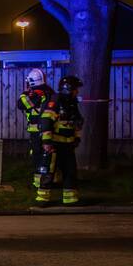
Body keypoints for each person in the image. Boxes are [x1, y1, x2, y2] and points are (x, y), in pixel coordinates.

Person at [38, 75, 85, 206]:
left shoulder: (72, 103)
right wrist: (47, 142)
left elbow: (75, 122)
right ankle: (43, 199)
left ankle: (70, 199)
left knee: (70, 171)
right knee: (49, 170)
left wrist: (77, 136)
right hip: (54, 143)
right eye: (76, 89)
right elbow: (46, 121)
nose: (77, 92)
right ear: (68, 89)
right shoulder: (54, 102)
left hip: (68, 144)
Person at [16, 68, 53, 188]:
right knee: (48, 156)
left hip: (37, 131)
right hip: (49, 130)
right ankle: (51, 180)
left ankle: (39, 183)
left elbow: (21, 104)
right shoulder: (49, 92)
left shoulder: (35, 94)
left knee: (38, 155)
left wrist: (24, 93)